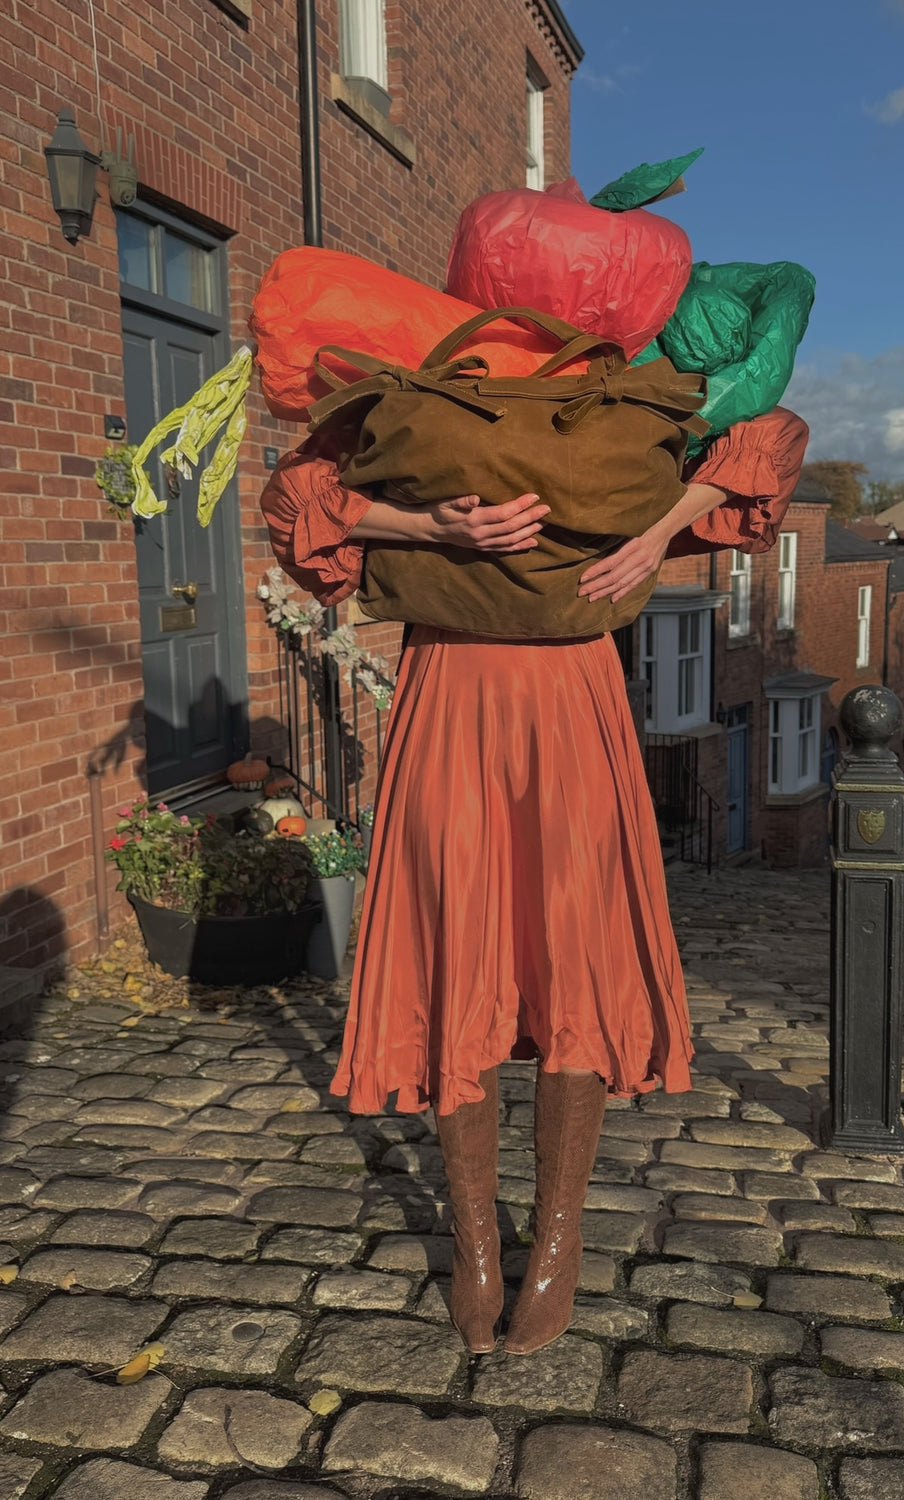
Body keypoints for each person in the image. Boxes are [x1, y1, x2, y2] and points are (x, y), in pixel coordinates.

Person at [260, 405, 809, 1356]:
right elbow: (295, 495)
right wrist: (431, 527)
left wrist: (655, 534)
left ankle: (557, 1240)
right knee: (453, 946)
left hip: (573, 688)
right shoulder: (435, 380)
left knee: (573, 951)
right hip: (450, 686)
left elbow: (775, 434)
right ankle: (476, 1246)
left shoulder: (615, 378)